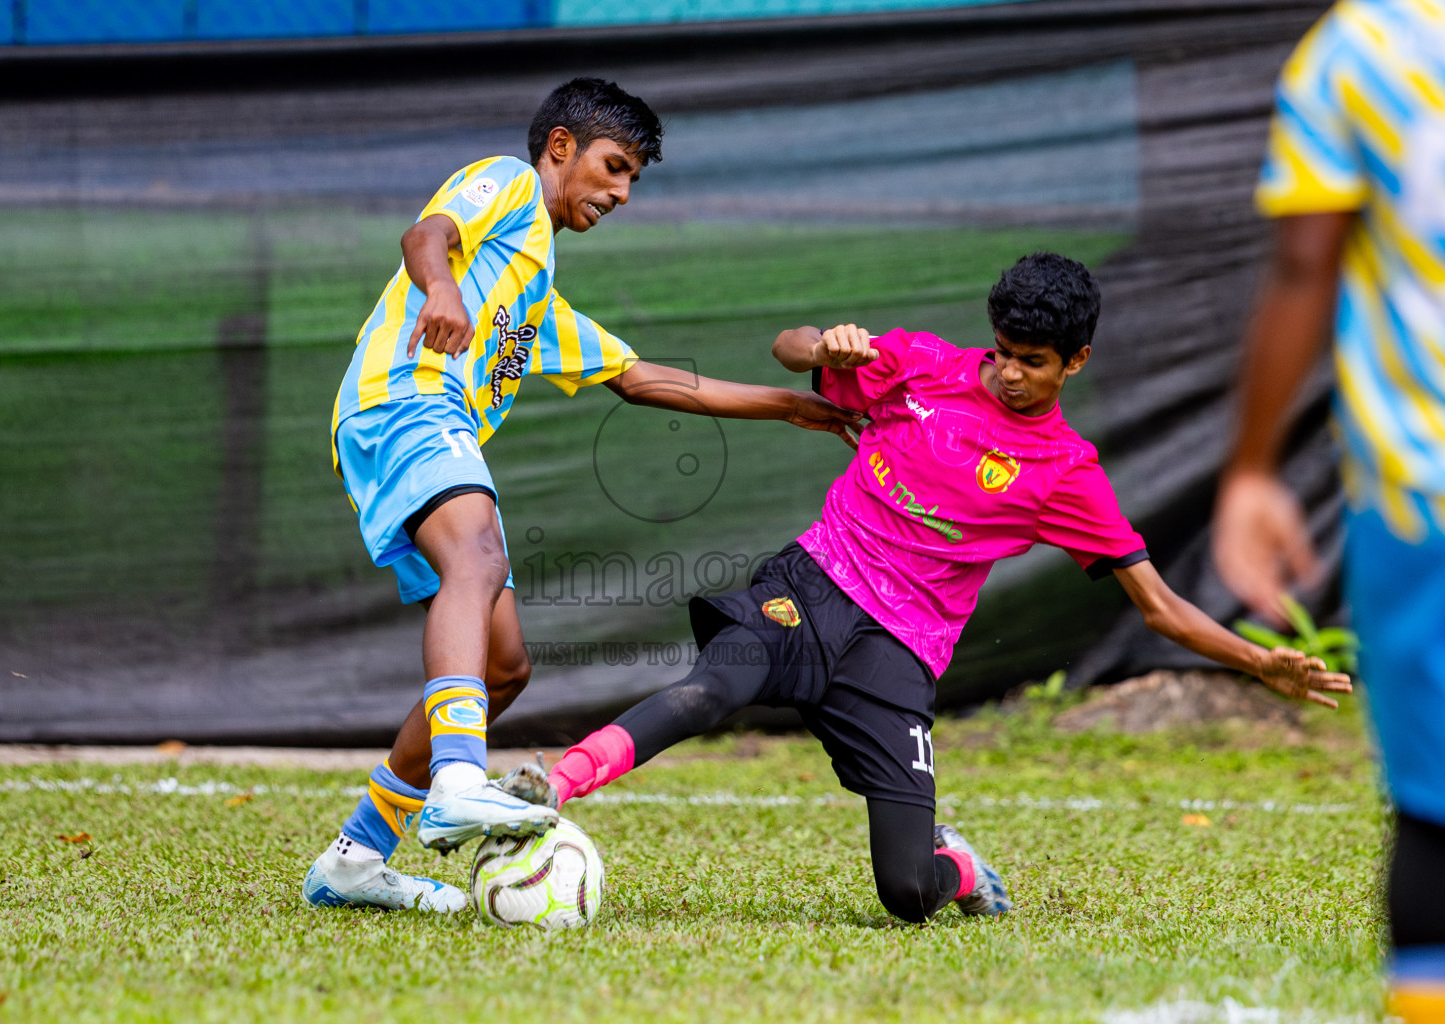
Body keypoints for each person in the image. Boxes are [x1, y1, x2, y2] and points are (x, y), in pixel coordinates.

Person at [512, 253, 1351, 923]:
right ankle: (551, 784)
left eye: (1034, 364)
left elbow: (1159, 606)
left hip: (899, 652)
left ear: (1077, 362)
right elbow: (789, 345)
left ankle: (957, 864)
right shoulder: (921, 367)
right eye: (1003, 353)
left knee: (907, 892)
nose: (1010, 375)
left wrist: (1258, 661)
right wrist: (824, 345)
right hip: (813, 586)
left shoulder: (1068, 474)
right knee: (713, 687)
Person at [302, 78, 860, 914]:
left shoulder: (534, 295)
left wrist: (793, 407)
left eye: (633, 179)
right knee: (478, 558)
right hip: (404, 399)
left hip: (416, 423)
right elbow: (428, 234)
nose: (620, 192)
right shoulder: (511, 184)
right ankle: (458, 779)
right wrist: (442, 290)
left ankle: (354, 859)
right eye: (613, 166)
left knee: (505, 667)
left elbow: (644, 379)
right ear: (561, 146)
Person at [1209, 2, 1445, 1016]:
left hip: (1421, 487)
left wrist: (1253, 469)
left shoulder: (1363, 48)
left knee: (1435, 817)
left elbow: (1305, 262)